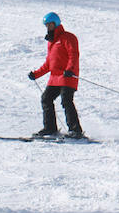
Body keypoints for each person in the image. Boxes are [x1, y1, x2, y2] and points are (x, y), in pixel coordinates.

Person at [28, 11, 84, 139]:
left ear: (56, 23)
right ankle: (50, 128)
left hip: (68, 76)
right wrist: (36, 74)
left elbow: (73, 55)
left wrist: (70, 69)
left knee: (66, 100)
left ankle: (75, 131)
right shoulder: (52, 42)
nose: (48, 27)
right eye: (46, 25)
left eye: (50, 24)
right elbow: (49, 63)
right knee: (46, 98)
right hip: (55, 78)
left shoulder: (68, 37)